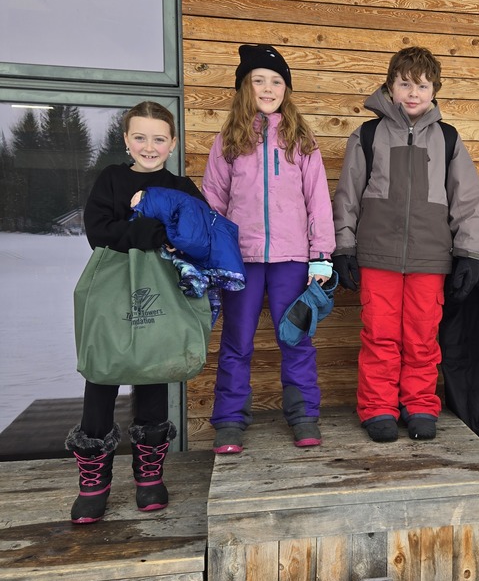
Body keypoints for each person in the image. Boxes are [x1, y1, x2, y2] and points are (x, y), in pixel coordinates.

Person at [332, 45, 479, 443]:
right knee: (380, 335)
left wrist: (469, 254)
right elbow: (347, 195)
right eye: (404, 84)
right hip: (378, 256)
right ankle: (378, 407)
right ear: (391, 86)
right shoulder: (367, 135)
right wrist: (343, 246)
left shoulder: (448, 139)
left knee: (421, 337)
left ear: (434, 89)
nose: (412, 93)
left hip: (430, 258)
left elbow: (467, 201)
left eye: (421, 85)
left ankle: (419, 403)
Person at [66, 100, 206, 524]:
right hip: (113, 288)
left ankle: (149, 478)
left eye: (159, 138)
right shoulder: (111, 180)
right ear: (127, 140)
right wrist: (144, 229)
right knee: (103, 371)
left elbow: (198, 230)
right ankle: (94, 482)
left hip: (161, 290)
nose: (150, 146)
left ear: (173, 143)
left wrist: (165, 227)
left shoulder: (181, 185)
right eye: (140, 137)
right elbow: (97, 230)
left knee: (154, 368)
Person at [203, 44, 335, 452]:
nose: (268, 87)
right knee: (237, 341)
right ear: (245, 86)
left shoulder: (300, 138)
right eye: (259, 79)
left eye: (276, 81)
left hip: (292, 259)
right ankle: (229, 420)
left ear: (286, 89)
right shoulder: (228, 139)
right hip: (240, 259)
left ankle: (303, 415)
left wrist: (322, 255)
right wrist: (213, 255)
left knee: (295, 338)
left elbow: (318, 199)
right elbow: (214, 202)